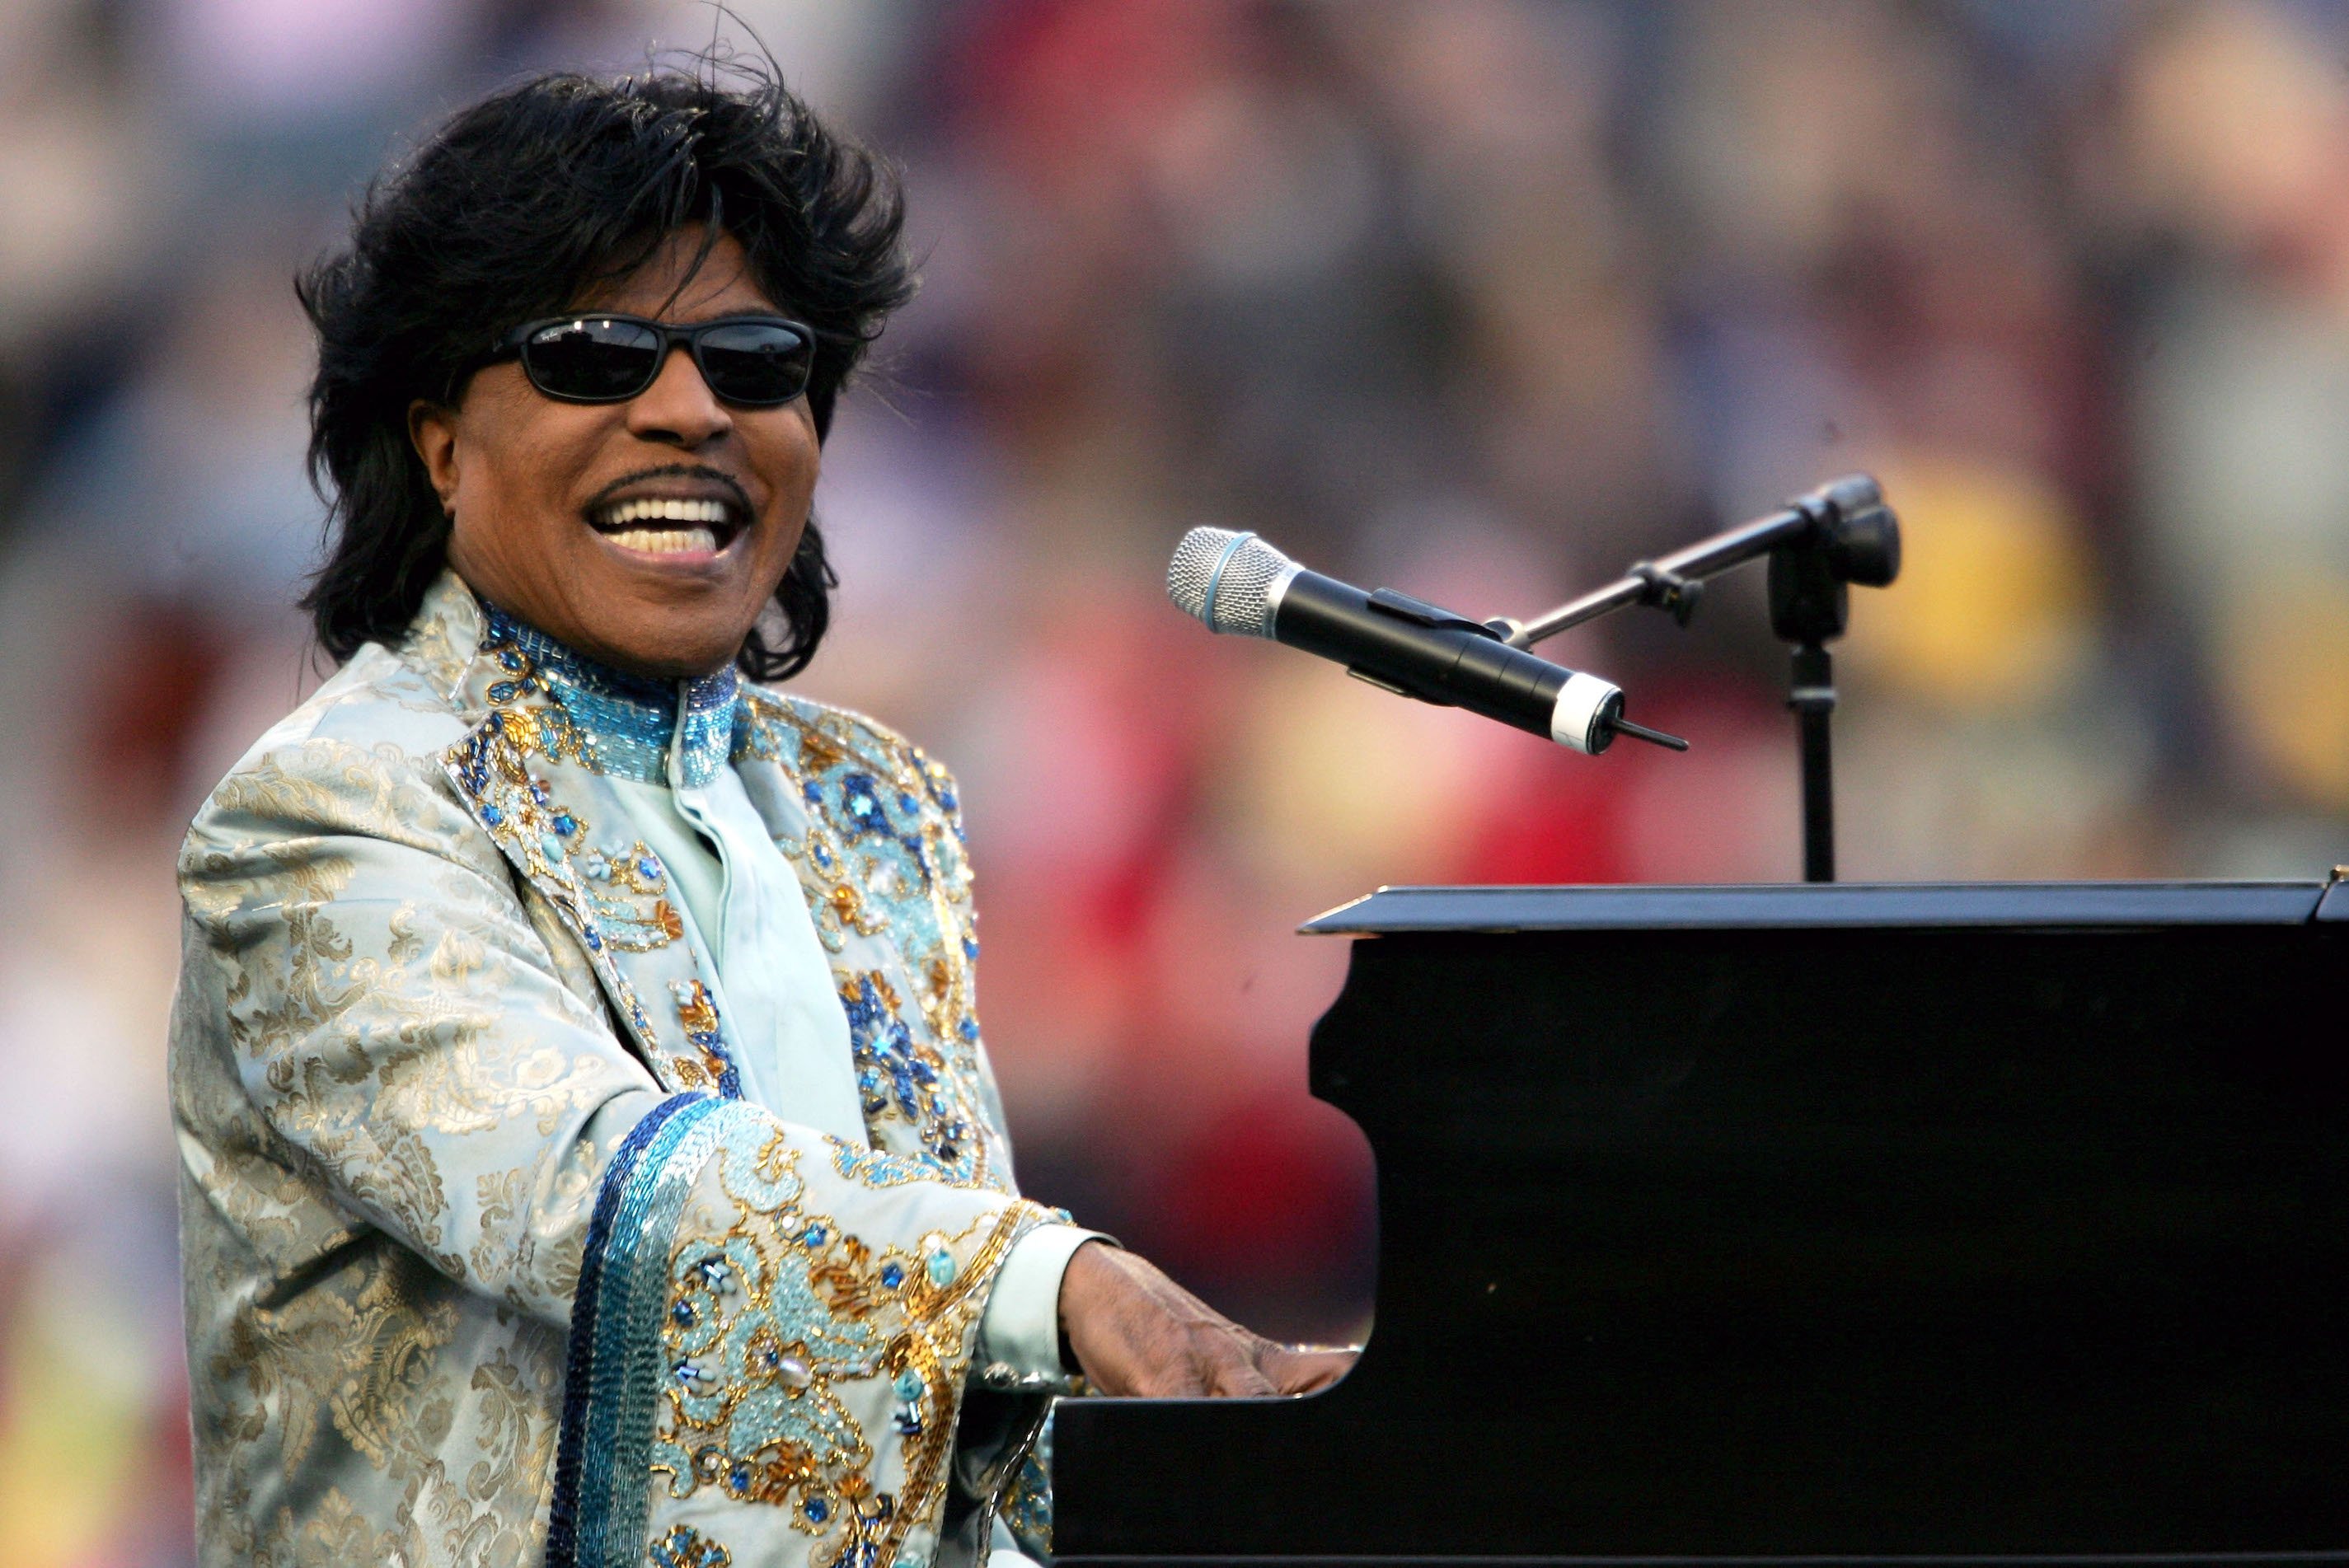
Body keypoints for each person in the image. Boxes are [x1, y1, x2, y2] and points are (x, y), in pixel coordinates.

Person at [169, 57, 1349, 1568]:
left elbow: (935, 1411)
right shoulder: (323, 817)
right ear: (437, 439)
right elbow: (597, 1192)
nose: (690, 410)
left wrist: (1300, 1446)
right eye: (596, 355)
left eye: (754, 359)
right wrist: (1064, 1286)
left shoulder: (869, 805)